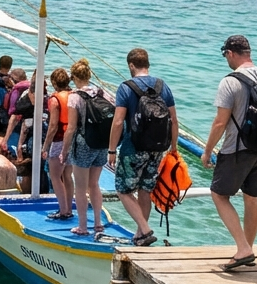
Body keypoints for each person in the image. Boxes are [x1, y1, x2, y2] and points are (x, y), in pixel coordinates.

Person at [202, 35, 257, 270]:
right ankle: (248, 249)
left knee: (219, 194)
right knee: (252, 198)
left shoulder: (230, 81)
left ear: (231, 53)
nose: (226, 59)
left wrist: (207, 151)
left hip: (237, 148)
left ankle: (243, 248)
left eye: (226, 55)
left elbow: (220, 122)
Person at [108, 48, 178, 247]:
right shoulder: (162, 86)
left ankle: (145, 229)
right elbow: (173, 119)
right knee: (144, 190)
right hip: (158, 148)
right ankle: (140, 235)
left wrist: (112, 149)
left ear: (131, 65)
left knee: (123, 190)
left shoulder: (126, 87)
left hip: (134, 147)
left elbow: (119, 121)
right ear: (147, 63)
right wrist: (173, 147)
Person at [66, 58, 115, 236]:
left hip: (84, 144)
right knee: (94, 184)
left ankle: (82, 227)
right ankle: (98, 223)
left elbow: (71, 128)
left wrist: (64, 150)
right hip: (101, 143)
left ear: (74, 77)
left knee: (80, 187)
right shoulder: (102, 93)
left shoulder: (74, 97)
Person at [43, 68, 75, 220]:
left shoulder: (55, 100)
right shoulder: (74, 95)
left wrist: (45, 146)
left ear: (54, 83)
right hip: (73, 139)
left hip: (59, 139)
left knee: (55, 176)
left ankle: (63, 210)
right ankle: (69, 208)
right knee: (67, 175)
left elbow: (53, 125)